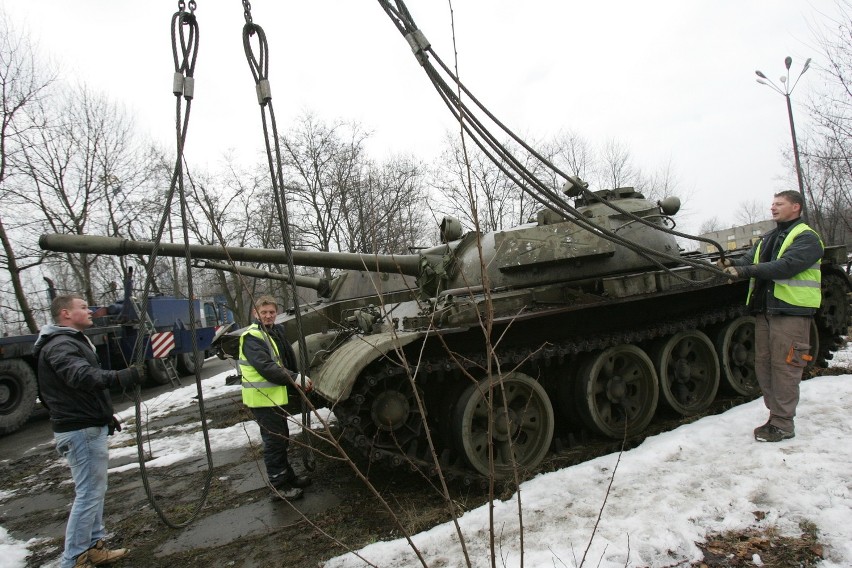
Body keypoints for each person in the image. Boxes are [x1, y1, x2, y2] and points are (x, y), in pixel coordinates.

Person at [33, 294, 146, 567]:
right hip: (80, 430)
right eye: (83, 307)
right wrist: (120, 376)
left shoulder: (68, 341)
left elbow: (75, 390)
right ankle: (72, 559)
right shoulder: (60, 345)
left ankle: (93, 546)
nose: (90, 310)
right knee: (88, 493)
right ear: (65, 314)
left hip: (86, 424)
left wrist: (103, 417)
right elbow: (80, 376)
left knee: (95, 491)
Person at [721, 190, 823, 443]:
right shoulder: (768, 238)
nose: (773, 208)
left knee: (786, 367)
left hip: (790, 312)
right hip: (766, 311)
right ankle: (776, 416)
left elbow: (787, 266)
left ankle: (783, 423)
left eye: (779, 204)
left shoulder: (807, 238)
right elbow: (746, 260)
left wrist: (743, 270)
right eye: (773, 204)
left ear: (796, 207)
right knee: (764, 366)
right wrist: (725, 262)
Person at [239, 295, 312, 500]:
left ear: (276, 313)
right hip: (262, 398)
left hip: (274, 397)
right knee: (274, 442)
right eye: (264, 313)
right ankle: (279, 486)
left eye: (271, 312)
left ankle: (287, 477)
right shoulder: (252, 336)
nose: (268, 316)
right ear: (256, 313)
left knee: (282, 439)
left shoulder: (272, 332)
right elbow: (266, 367)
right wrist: (295, 377)